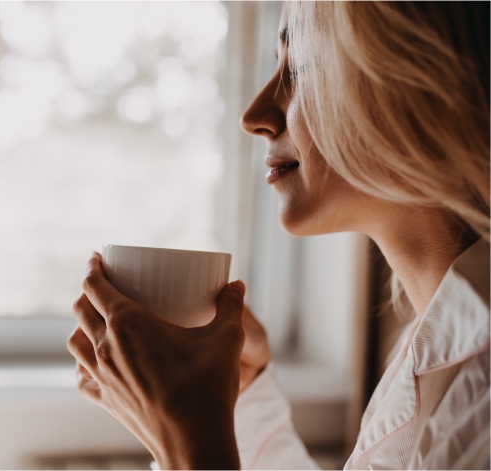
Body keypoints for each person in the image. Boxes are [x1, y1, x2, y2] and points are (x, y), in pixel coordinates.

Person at [66, 2, 490, 469]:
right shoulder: (435, 349)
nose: (255, 115)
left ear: (426, 83)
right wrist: (240, 396)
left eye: (302, 66)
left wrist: (188, 444)